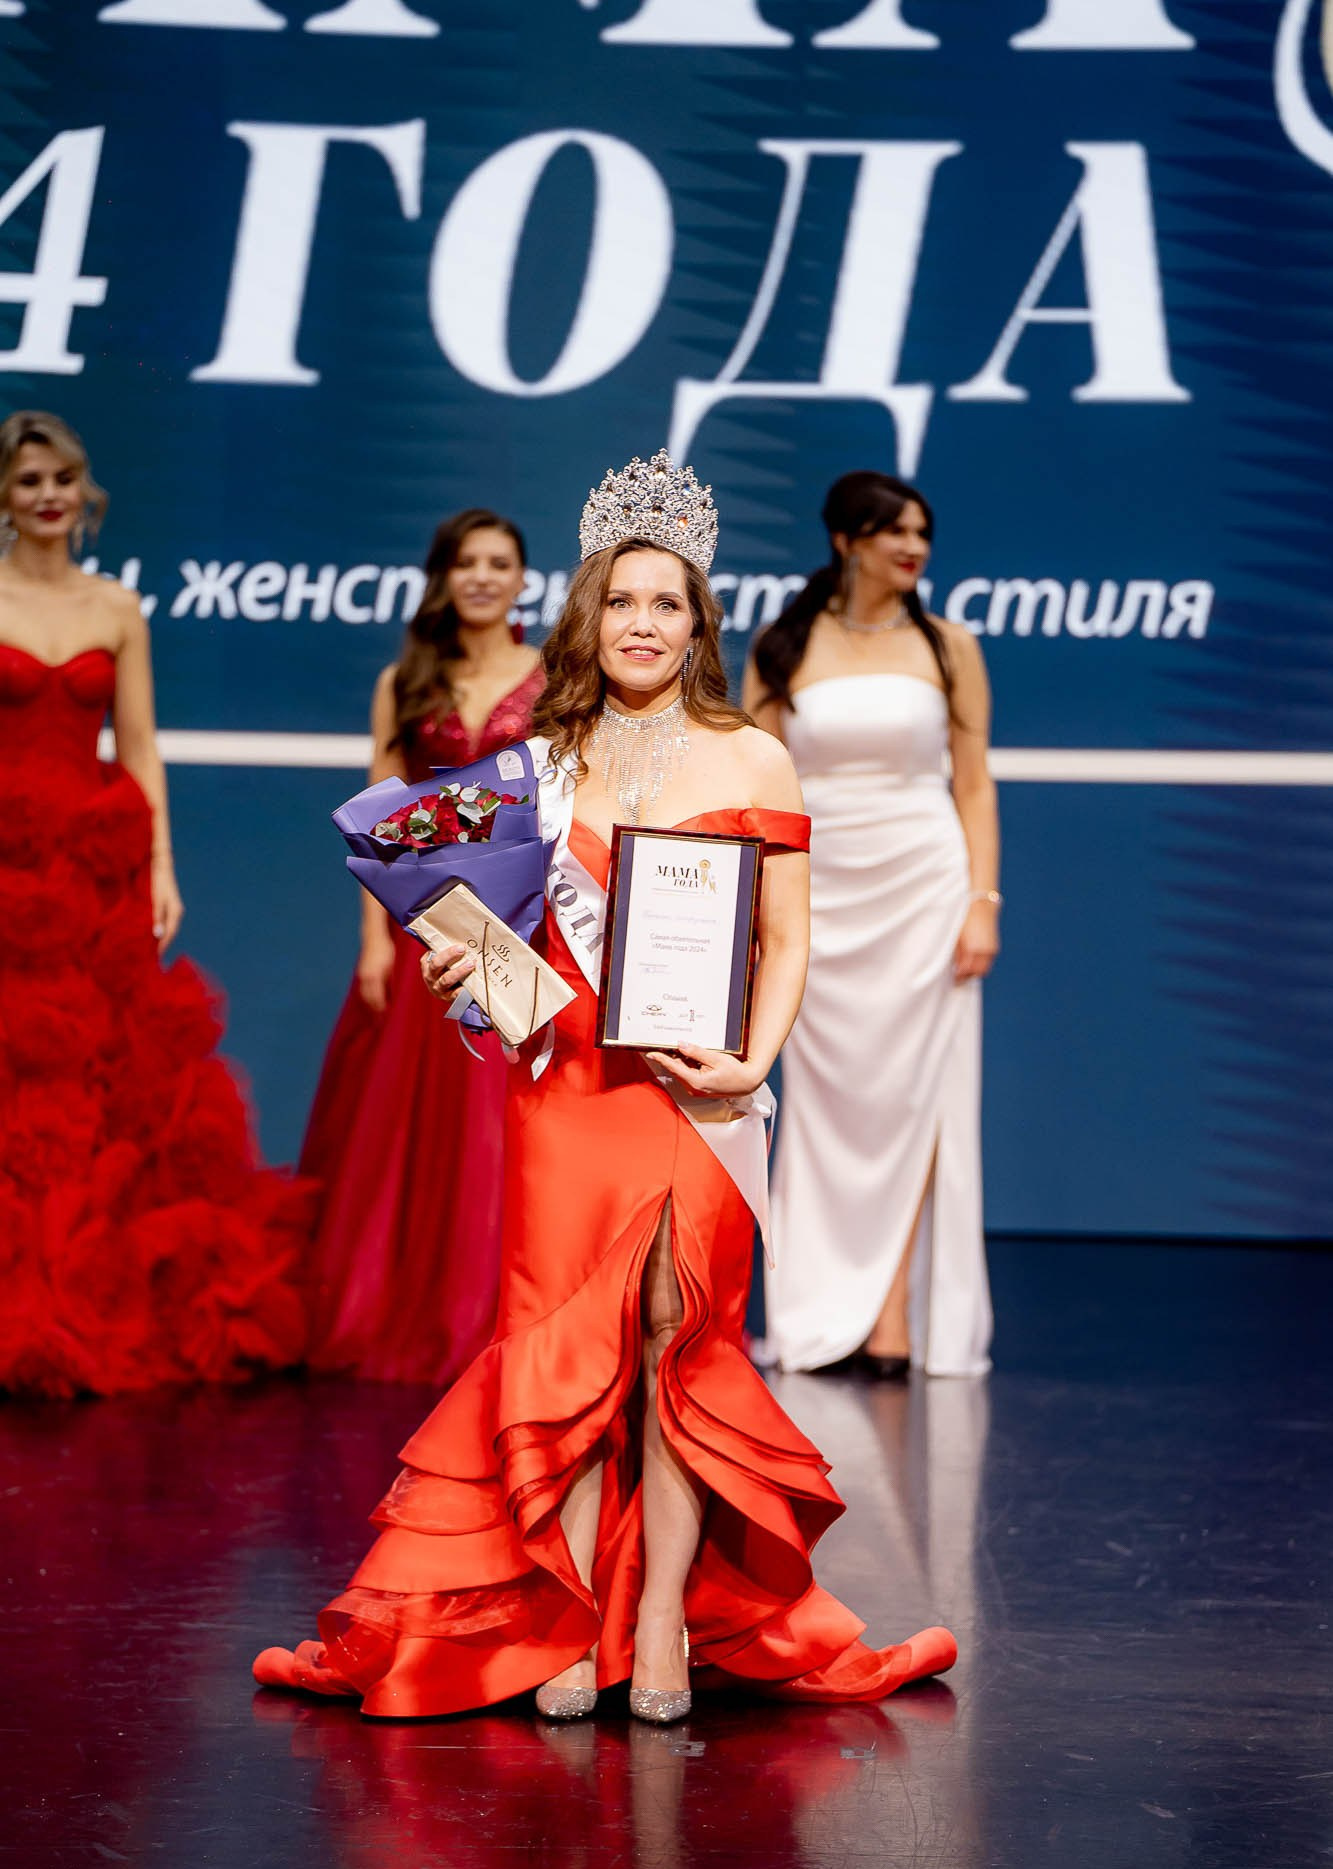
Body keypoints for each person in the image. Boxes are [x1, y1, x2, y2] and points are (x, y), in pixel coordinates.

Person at [254, 449, 957, 1723]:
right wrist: (463, 962)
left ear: (698, 623)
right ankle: (573, 1613)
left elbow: (788, 937)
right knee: (568, 1351)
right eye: (620, 600)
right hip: (566, 1089)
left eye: (665, 602)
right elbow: (487, 933)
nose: (641, 622)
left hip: (698, 1093)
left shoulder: (755, 759)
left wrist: (755, 1058)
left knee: (673, 1341)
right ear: (590, 615)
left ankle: (663, 1617)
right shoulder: (540, 760)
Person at [0, 410, 309, 1396]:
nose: (48, 495)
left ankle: (77, 1295)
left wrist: (162, 867)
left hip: (94, 871)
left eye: (62, 478)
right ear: (4, 494)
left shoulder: (118, 608)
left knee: (97, 1078)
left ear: (84, 491)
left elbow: (139, 747)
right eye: (28, 479)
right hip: (6, 861)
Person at [744, 470, 998, 1381]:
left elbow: (972, 782)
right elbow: (757, 785)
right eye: (894, 531)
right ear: (846, 540)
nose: (913, 547)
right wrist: (758, 906)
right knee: (822, 1103)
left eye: (922, 532)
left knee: (918, 1094)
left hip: (924, 887)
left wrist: (982, 902)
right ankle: (815, 1308)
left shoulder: (949, 645)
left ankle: (890, 1317)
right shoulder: (781, 645)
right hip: (817, 891)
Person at [300, 510, 543, 1383]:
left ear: (522, 580)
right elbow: (377, 817)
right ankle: (413, 1312)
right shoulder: (404, 681)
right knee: (412, 1137)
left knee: (501, 1124)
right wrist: (373, 939)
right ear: (442, 577)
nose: (481, 576)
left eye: (498, 562)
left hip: (519, 924)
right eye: (465, 562)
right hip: (423, 928)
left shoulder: (554, 676)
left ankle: (502, 1316)